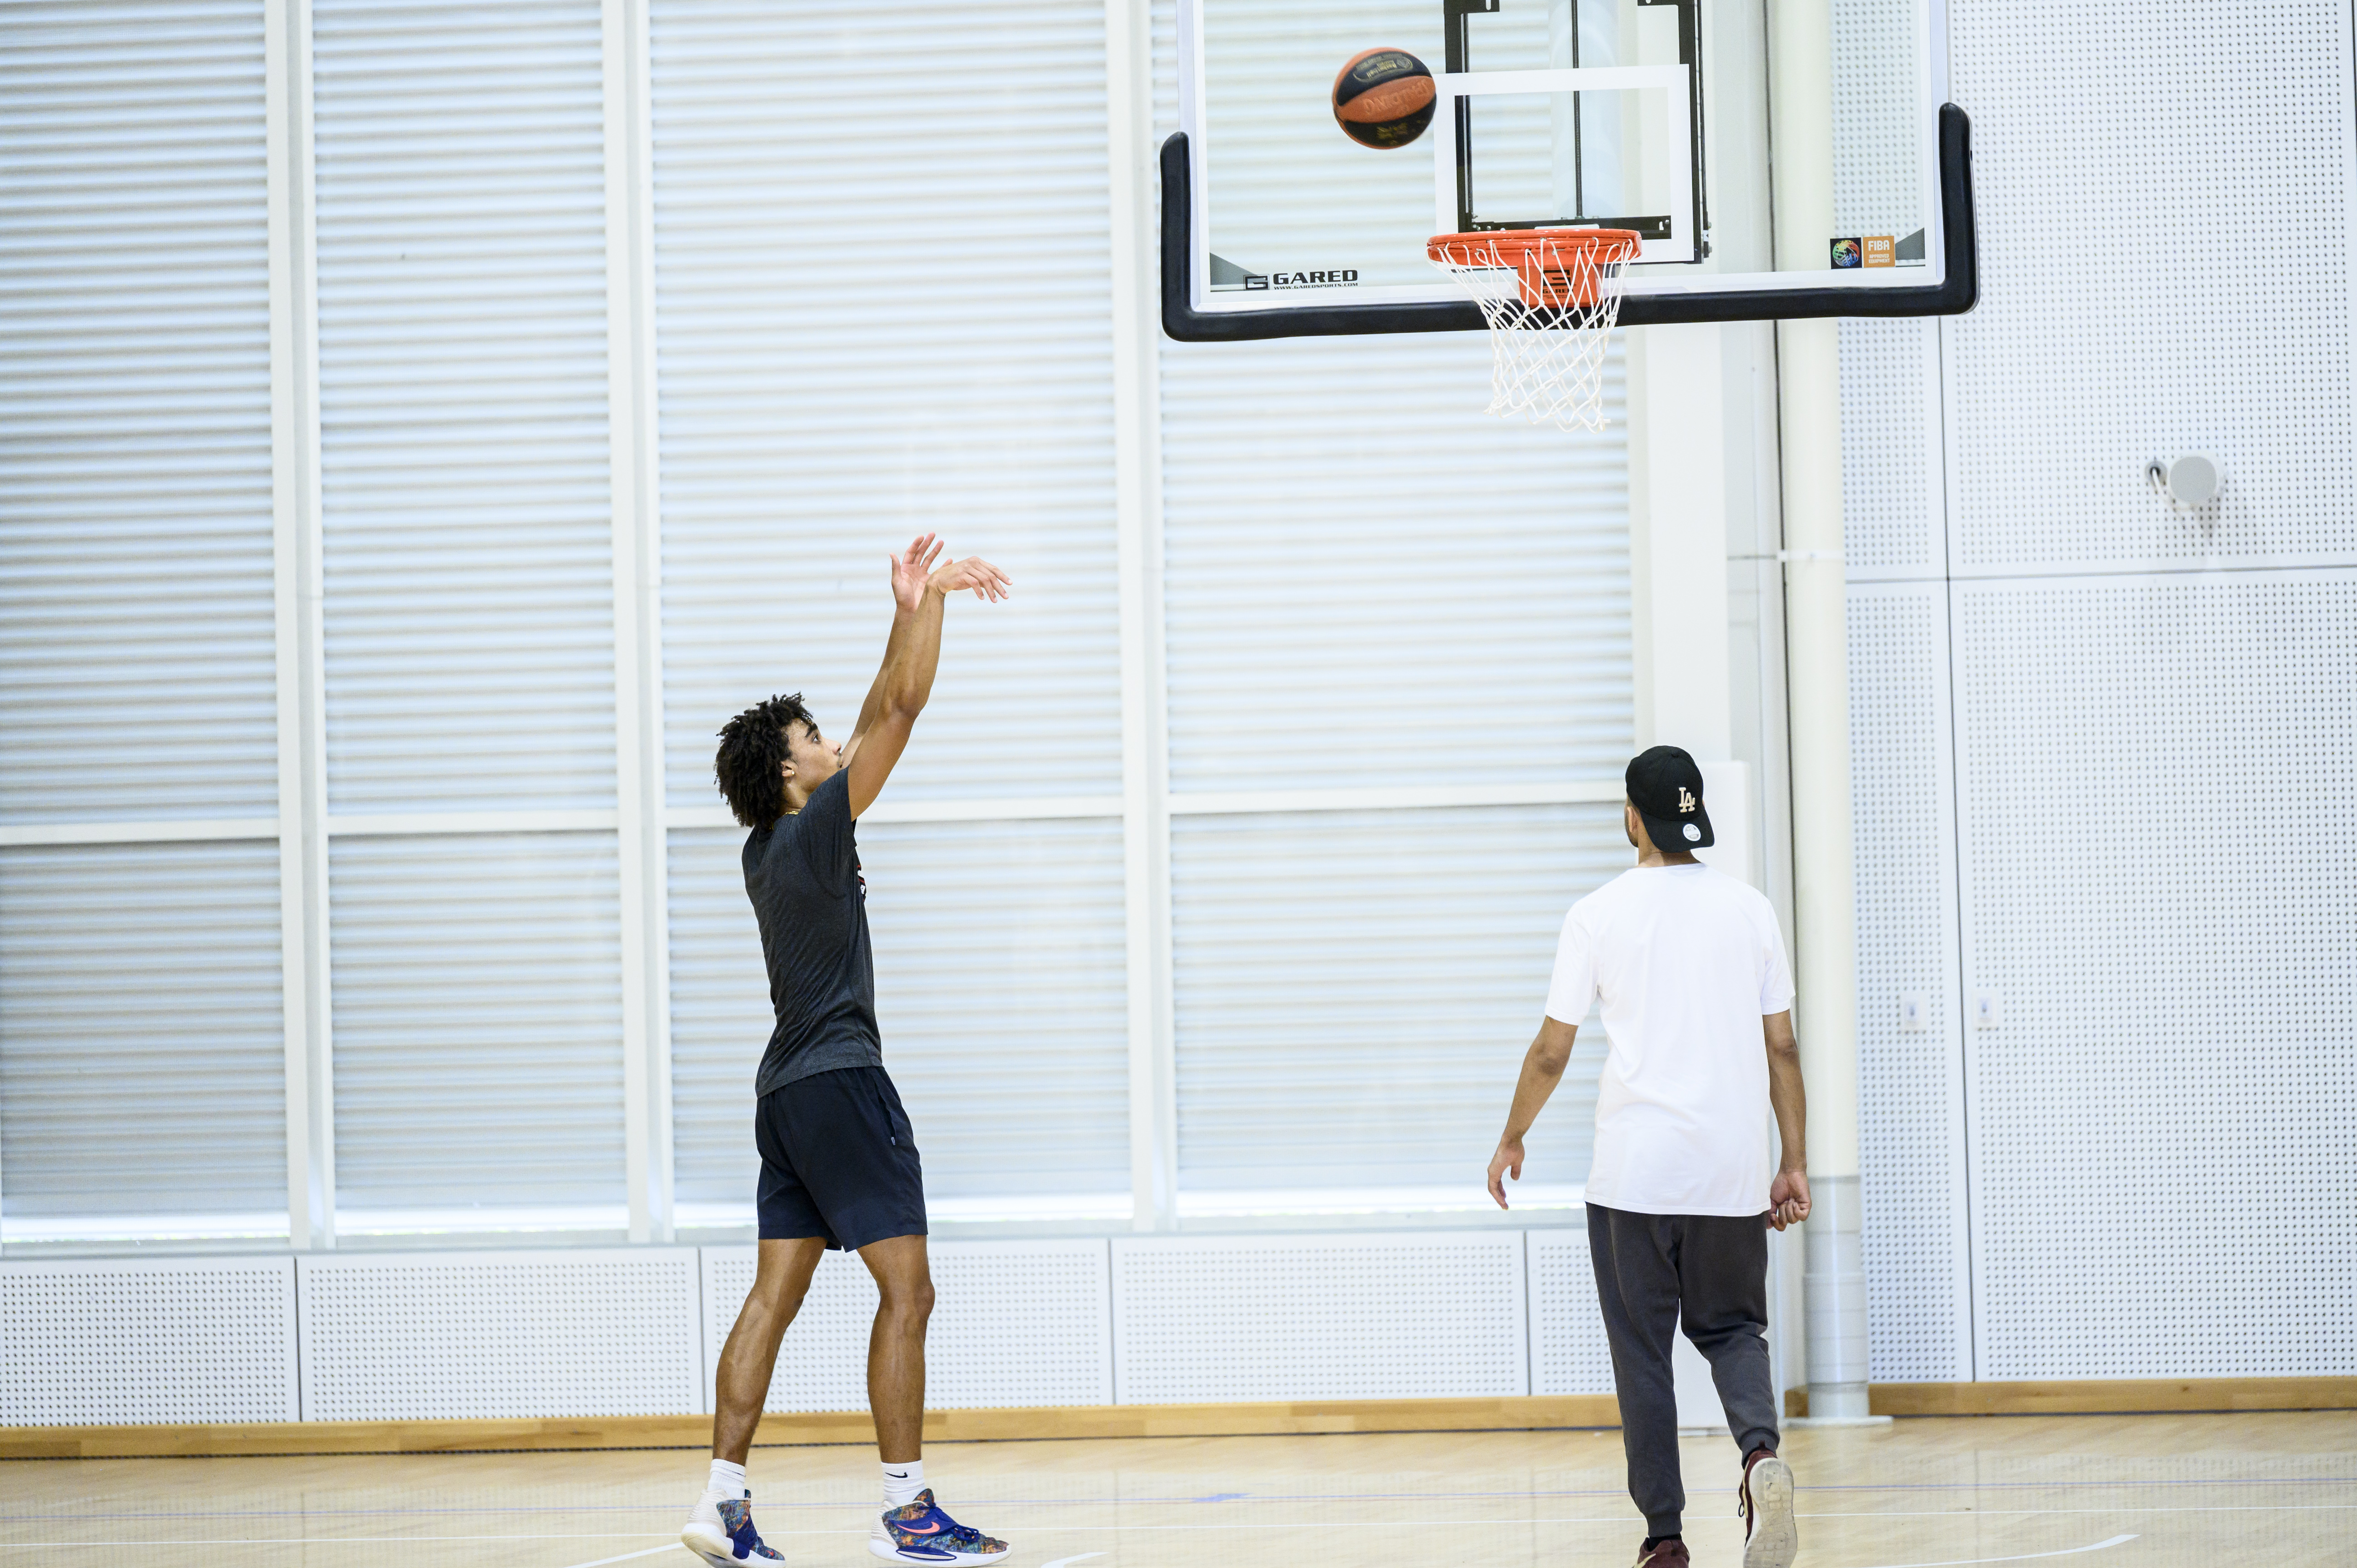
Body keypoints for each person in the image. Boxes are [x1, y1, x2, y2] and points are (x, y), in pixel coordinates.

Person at [682, 534, 1015, 1568]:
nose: (835, 739)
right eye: (814, 736)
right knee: (908, 1292)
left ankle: (722, 1504)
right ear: (794, 772)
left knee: (771, 1299)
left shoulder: (767, 845)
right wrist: (932, 613)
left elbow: (876, 708)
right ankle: (910, 1513)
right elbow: (900, 714)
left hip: (782, 1096)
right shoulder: (819, 827)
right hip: (839, 1084)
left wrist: (912, 604)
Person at [1486, 745, 1809, 1568]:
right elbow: (1782, 1047)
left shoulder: (1597, 913)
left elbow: (1553, 1051)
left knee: (1644, 1352)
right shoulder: (1751, 909)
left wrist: (1513, 1133)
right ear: (1695, 814)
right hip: (1731, 1172)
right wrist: (1792, 1160)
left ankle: (1665, 1538)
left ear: (1632, 816)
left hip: (1633, 1179)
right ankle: (1760, 1456)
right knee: (1735, 1329)